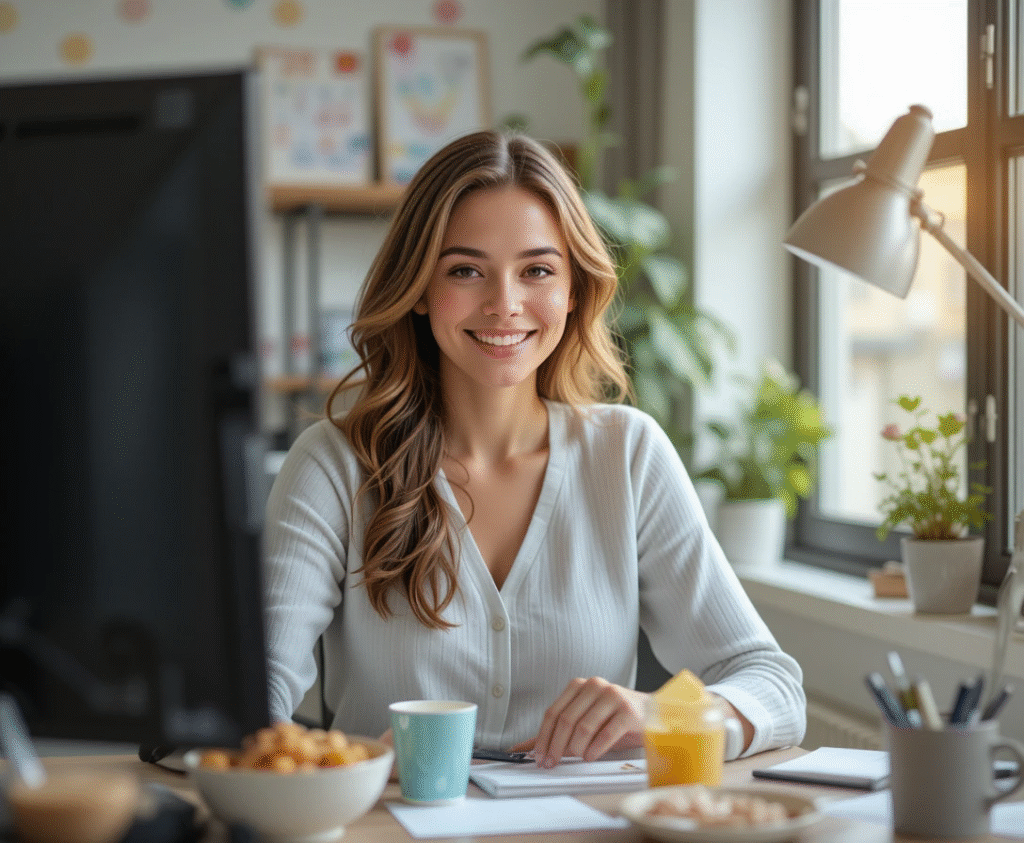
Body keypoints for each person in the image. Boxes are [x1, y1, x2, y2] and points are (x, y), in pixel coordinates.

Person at [262, 130, 806, 767]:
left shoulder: (628, 456)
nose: (504, 304)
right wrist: (349, 762)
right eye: (465, 270)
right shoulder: (333, 465)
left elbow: (772, 686)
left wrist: (661, 712)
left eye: (537, 271)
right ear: (417, 289)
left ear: (573, 291)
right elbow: (254, 692)